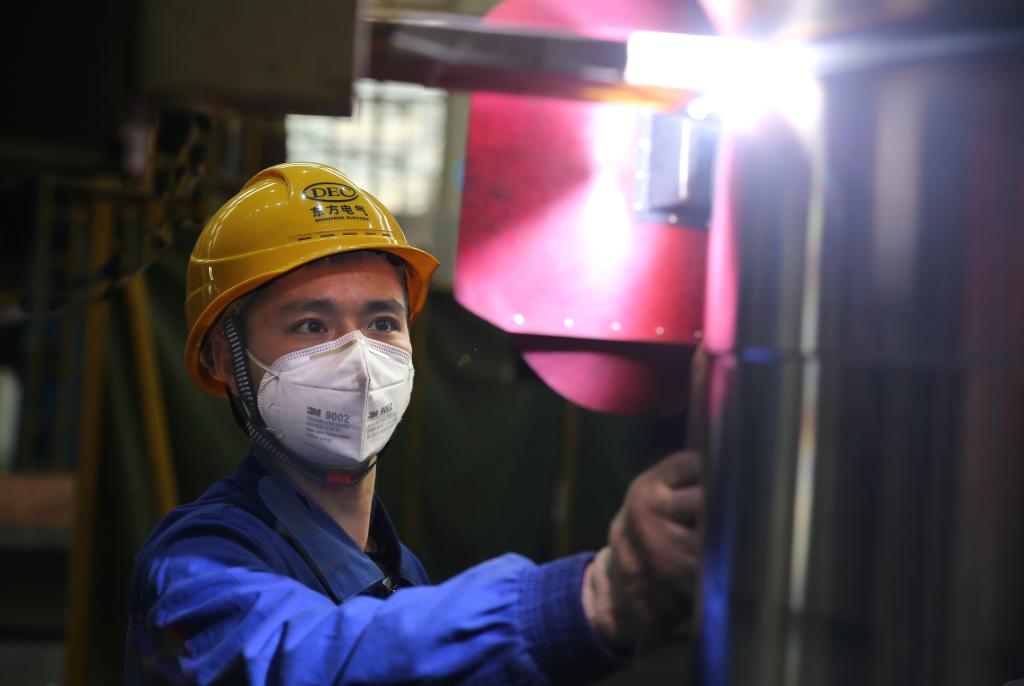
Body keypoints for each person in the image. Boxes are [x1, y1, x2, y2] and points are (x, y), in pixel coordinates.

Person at [125, 162, 702, 684]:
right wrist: (595, 598)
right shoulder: (195, 565)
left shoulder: (398, 571)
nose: (358, 361)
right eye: (310, 326)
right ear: (225, 360)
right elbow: (306, 661)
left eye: (382, 323)